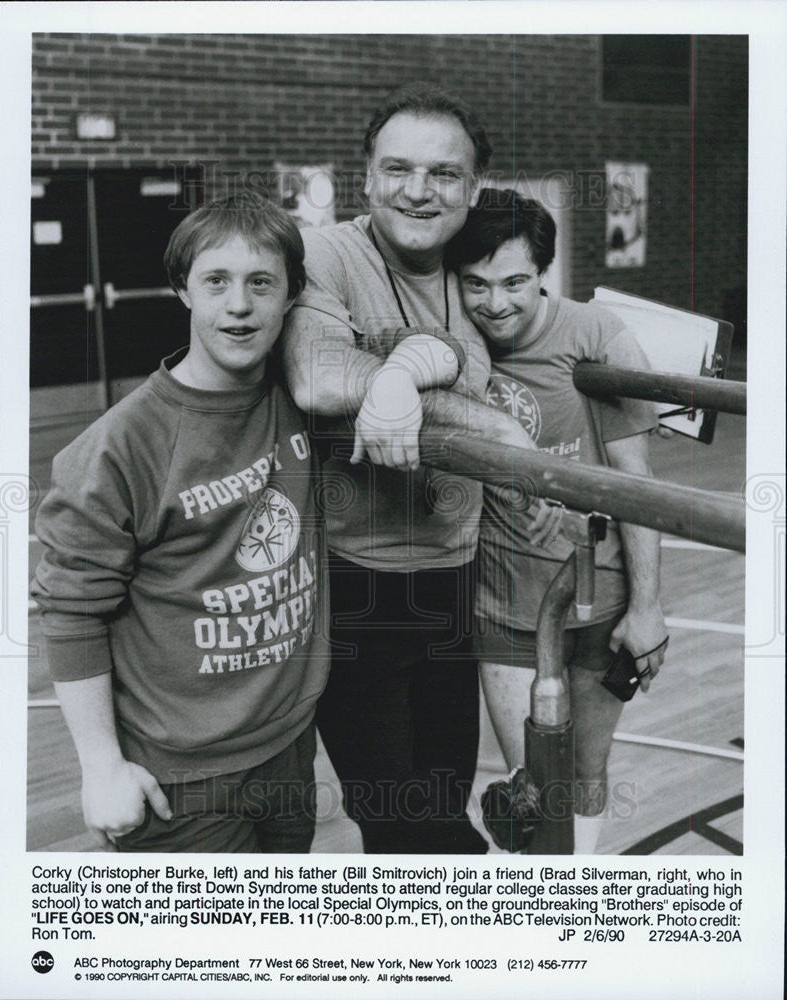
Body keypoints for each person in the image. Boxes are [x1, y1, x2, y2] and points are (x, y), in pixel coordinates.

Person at [31, 193, 330, 853]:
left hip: (286, 746)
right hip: (180, 777)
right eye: (215, 281)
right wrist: (101, 767)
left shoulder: (303, 397)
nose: (239, 304)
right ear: (182, 290)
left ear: (291, 296)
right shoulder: (120, 445)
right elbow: (72, 612)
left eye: (261, 283)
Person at [283, 85, 536, 854]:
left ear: (472, 188)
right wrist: (490, 426)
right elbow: (319, 378)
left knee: (439, 804)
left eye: (443, 174)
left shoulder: (471, 266)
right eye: (397, 169)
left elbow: (549, 332)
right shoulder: (326, 252)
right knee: (406, 827)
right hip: (355, 585)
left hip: (454, 577)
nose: (418, 191)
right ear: (366, 178)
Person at [445, 189, 669, 854]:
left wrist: (649, 606)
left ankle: (577, 893)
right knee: (536, 786)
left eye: (514, 282)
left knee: (586, 771)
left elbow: (636, 482)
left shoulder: (596, 334)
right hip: (507, 606)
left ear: (542, 273)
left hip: (602, 595)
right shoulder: (450, 345)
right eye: (475, 285)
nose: (496, 304)